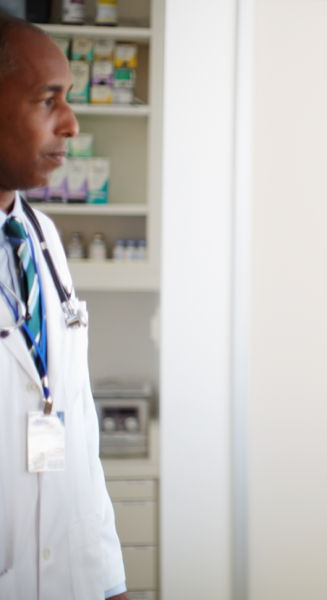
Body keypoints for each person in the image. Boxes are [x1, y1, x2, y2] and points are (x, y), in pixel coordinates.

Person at [0, 15, 129, 600]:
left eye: (70, 99)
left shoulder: (42, 238)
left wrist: (109, 580)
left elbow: (76, 426)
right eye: (46, 100)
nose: (71, 124)